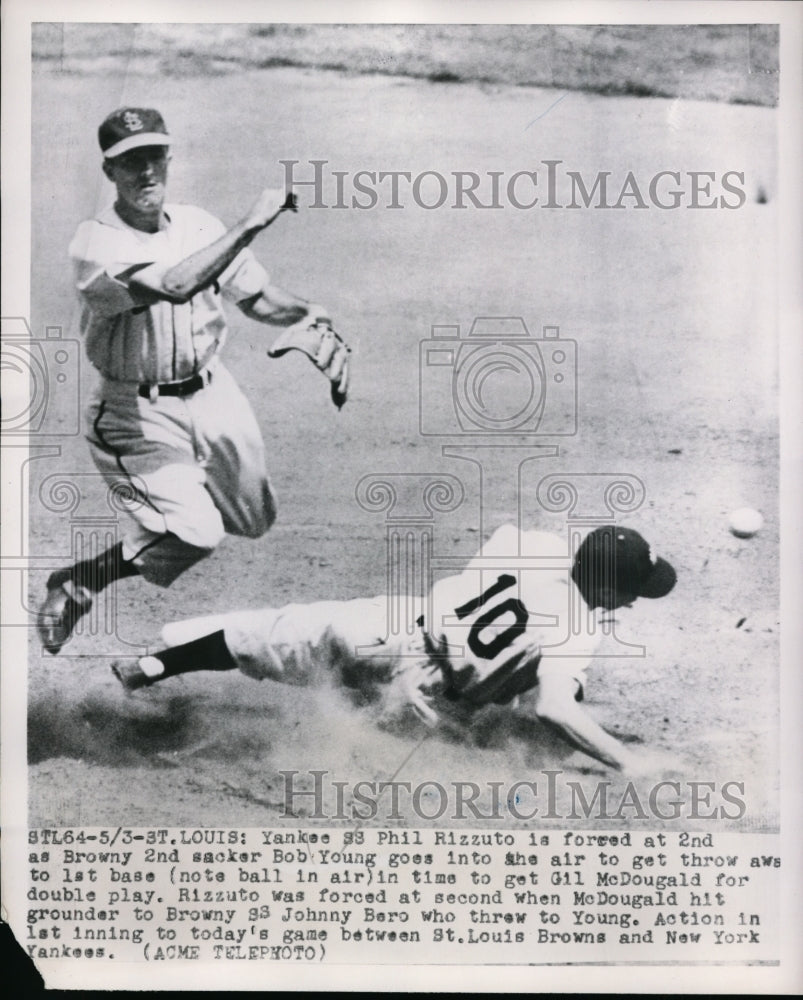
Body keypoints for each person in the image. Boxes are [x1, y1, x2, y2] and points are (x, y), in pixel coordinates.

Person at [38, 107, 336, 654]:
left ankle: (172, 513)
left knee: (254, 519)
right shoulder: (95, 243)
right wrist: (250, 224)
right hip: (135, 413)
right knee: (197, 531)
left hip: (215, 394)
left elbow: (259, 299)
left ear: (168, 158)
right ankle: (79, 581)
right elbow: (175, 284)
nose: (146, 172)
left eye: (154, 156)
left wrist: (312, 314)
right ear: (109, 171)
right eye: (130, 162)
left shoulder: (198, 225)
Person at [110, 523, 677, 775]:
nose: (629, 603)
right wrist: (629, 761)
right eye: (628, 592)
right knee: (423, 750)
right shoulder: (579, 631)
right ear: (604, 588)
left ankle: (154, 665)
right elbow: (554, 708)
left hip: (390, 627)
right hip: (425, 697)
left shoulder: (536, 545)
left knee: (272, 633)